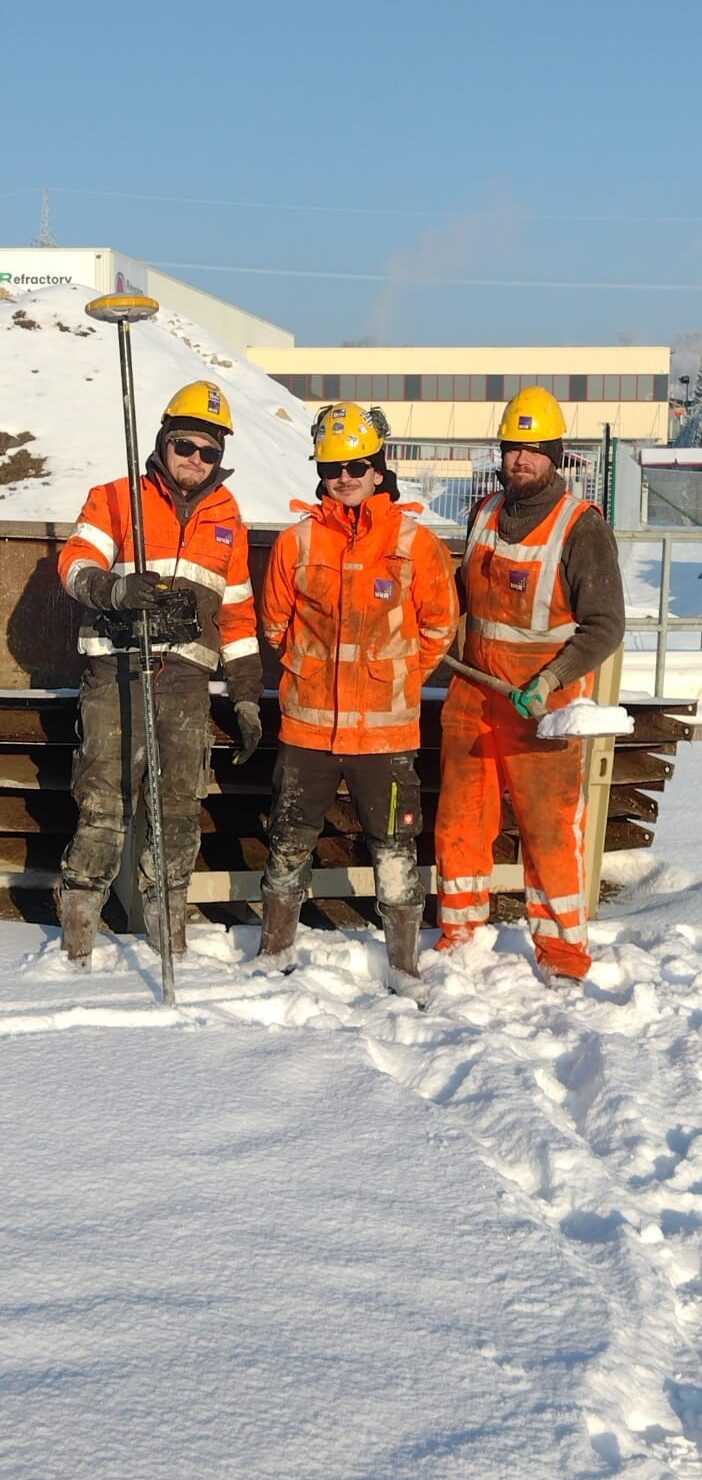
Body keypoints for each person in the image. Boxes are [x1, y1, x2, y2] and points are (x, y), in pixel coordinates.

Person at [57, 380, 263, 967]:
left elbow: (239, 612)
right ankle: (77, 942)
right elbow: (75, 563)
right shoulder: (116, 496)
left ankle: (167, 931)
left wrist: (246, 696)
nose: (194, 460)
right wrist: (114, 589)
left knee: (176, 808)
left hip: (185, 682)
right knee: (103, 803)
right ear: (163, 441)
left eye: (207, 451)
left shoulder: (228, 518)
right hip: (116, 671)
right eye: (184, 446)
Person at [258, 401, 458, 1001]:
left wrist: (389, 680)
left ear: (378, 469)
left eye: (356, 464)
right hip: (307, 733)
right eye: (332, 466)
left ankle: (403, 962)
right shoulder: (297, 541)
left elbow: (438, 627)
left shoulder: (414, 542)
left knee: (396, 846)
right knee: (289, 837)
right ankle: (276, 948)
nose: (343, 476)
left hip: (387, 739)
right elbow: (276, 625)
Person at [434, 385, 625, 987]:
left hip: (542, 706)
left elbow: (605, 625)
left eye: (535, 450)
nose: (522, 459)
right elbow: (464, 598)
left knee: (548, 828)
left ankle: (563, 954)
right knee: (460, 821)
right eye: (514, 448)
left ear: (557, 456)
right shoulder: (484, 512)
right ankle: (460, 935)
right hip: (475, 695)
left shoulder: (581, 527)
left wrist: (550, 680)